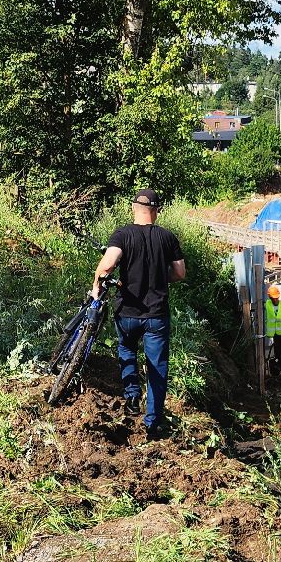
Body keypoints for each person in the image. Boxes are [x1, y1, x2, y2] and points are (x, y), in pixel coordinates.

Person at [94, 188, 185, 439]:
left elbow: (107, 265)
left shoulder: (122, 234)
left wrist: (96, 287)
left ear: (134, 208)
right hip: (156, 315)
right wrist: (161, 277)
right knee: (157, 367)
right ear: (157, 211)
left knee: (126, 349)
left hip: (128, 311)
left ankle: (132, 396)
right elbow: (180, 272)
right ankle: (153, 422)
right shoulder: (168, 237)